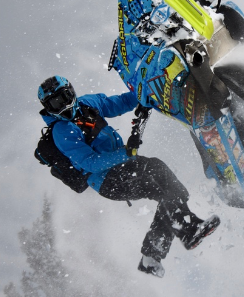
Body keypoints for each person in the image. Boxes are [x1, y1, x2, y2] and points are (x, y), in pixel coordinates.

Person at [37, 75, 220, 277]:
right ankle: (186, 228)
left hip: (124, 163)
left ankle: (155, 254)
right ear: (48, 108)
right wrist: (126, 152)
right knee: (159, 172)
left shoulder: (87, 104)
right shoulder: (61, 131)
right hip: (107, 180)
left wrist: (146, 94)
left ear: (71, 92)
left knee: (168, 190)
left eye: (64, 97)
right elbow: (90, 162)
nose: (63, 107)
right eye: (55, 104)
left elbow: (120, 103)